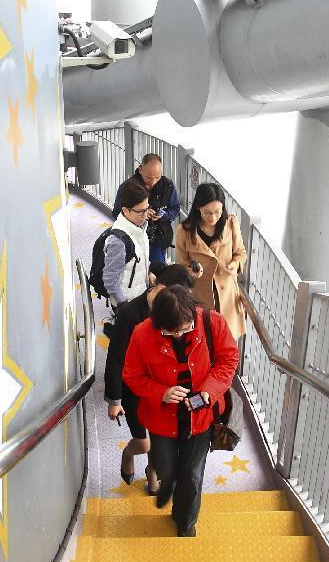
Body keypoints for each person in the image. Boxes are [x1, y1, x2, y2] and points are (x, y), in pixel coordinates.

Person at [123, 285, 239, 536]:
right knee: (167, 469)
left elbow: (229, 360)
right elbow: (131, 375)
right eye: (169, 331)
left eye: (184, 328)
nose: (177, 334)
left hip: (201, 418)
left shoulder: (212, 323)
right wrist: (160, 392)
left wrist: (209, 390)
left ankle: (185, 524)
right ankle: (170, 489)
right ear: (157, 323)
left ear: (192, 315)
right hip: (161, 419)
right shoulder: (142, 334)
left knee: (192, 477)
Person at [105, 264, 195, 495]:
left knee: (161, 439)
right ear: (162, 288)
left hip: (164, 386)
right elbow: (116, 359)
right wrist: (114, 399)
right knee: (144, 442)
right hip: (134, 387)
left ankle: (153, 475)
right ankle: (129, 453)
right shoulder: (129, 314)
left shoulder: (177, 314)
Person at [175, 182, 247, 339]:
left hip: (227, 298)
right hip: (200, 297)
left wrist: (235, 264)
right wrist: (191, 272)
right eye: (207, 212)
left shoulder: (231, 223)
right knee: (204, 343)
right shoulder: (184, 231)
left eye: (218, 212)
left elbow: (240, 252)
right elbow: (181, 267)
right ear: (198, 207)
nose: (213, 217)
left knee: (227, 344)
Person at [112, 153, 180, 264]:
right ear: (140, 169)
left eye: (157, 177)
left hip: (158, 238)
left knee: (158, 270)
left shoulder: (168, 186)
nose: (153, 182)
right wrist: (141, 214)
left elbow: (175, 208)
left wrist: (164, 214)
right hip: (133, 237)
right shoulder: (128, 188)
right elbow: (116, 213)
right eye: (149, 177)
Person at [102, 178, 150, 307]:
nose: (146, 215)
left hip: (140, 296)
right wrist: (124, 305)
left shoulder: (139, 227)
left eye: (147, 209)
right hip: (127, 305)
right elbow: (110, 280)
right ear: (125, 210)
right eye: (141, 211)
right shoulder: (118, 242)